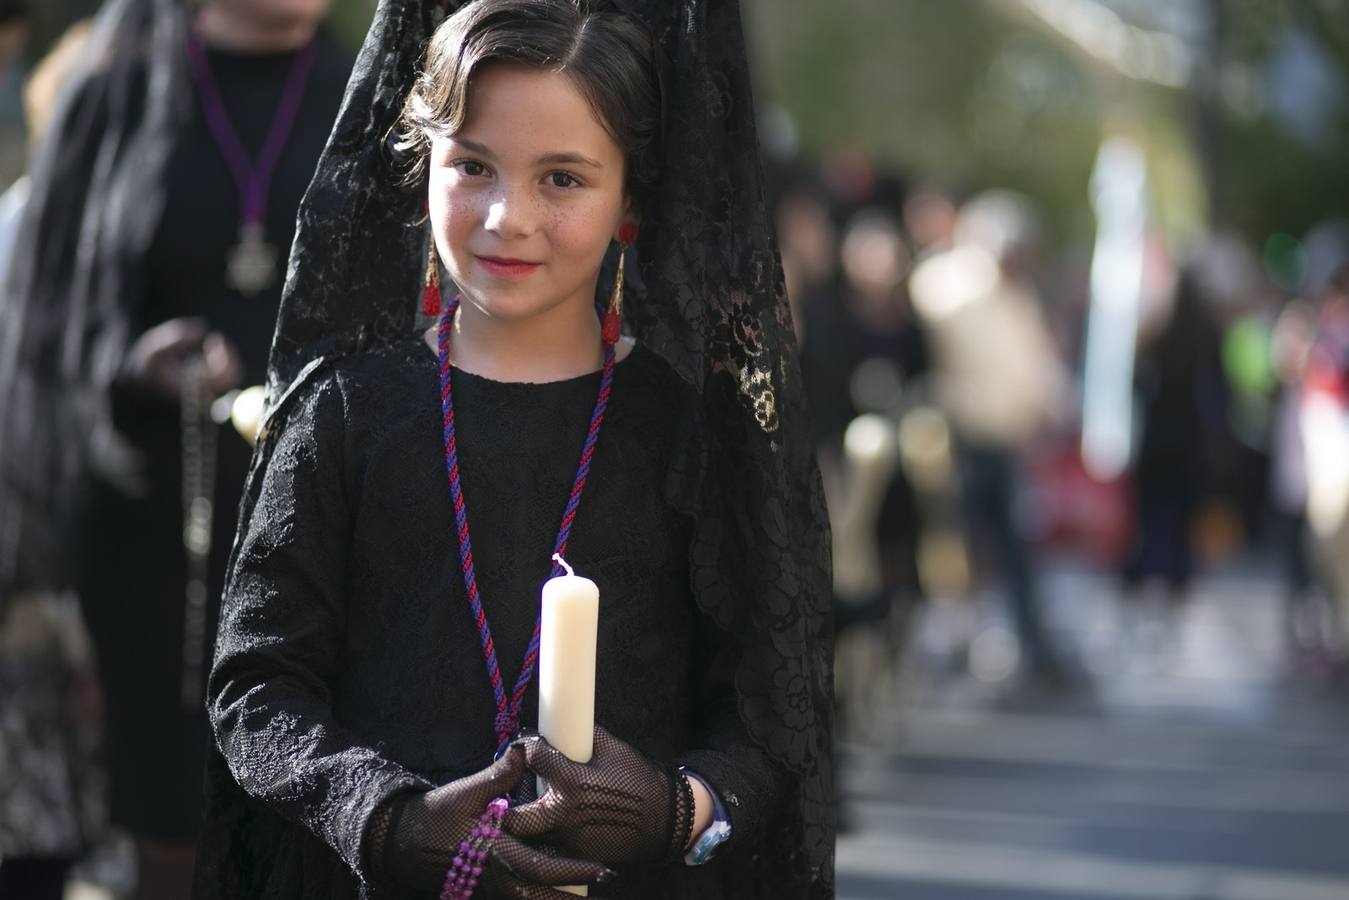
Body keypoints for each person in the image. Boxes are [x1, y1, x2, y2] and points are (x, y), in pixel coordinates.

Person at [192, 1, 834, 899]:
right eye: (473, 166)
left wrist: (674, 808)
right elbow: (258, 685)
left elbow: (772, 712)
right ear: (422, 168)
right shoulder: (344, 411)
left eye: (563, 179)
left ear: (631, 202)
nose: (506, 216)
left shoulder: (685, 432)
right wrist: (386, 818)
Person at [0, 0, 353, 896]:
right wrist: (131, 362)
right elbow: (47, 325)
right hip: (156, 542)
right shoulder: (110, 93)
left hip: (336, 531)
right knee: (174, 837)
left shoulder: (375, 93)